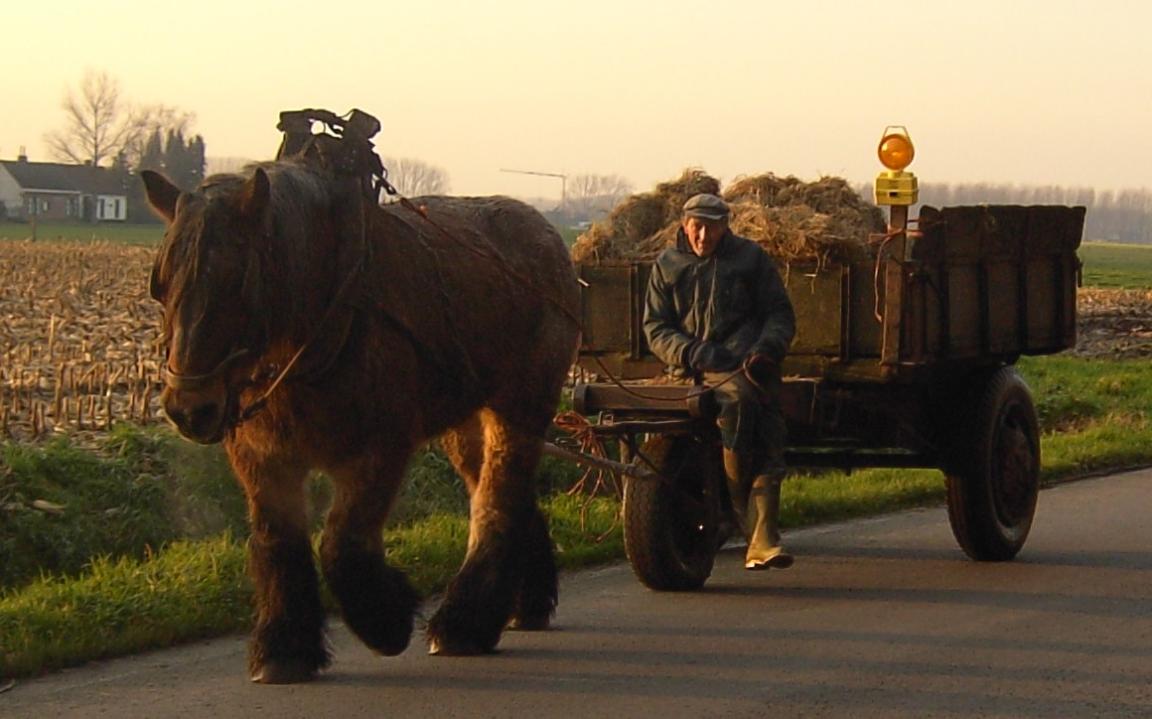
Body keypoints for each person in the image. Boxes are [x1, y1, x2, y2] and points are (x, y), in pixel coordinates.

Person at [643, 193, 796, 570]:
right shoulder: (666, 265)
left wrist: (763, 350)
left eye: (711, 226)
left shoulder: (750, 259)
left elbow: (780, 315)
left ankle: (756, 534)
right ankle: (681, 509)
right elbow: (655, 326)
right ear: (684, 226)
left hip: (737, 366)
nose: (703, 234)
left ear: (726, 227)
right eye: (696, 226)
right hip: (684, 369)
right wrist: (690, 351)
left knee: (749, 414)